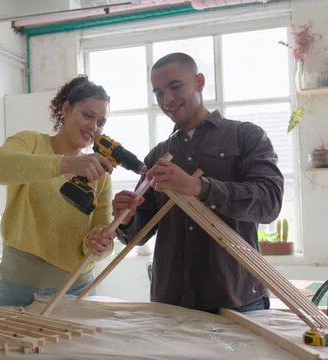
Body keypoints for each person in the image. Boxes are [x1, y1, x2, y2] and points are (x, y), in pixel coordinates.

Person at [111, 52, 284, 313]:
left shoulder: (245, 136)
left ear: (200, 82)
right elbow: (139, 234)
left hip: (236, 300)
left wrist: (200, 188)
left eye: (175, 86)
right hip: (172, 301)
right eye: (158, 93)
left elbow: (269, 203)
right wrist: (125, 218)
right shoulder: (157, 156)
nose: (167, 99)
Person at [0, 75, 116, 307]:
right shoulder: (31, 142)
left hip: (78, 290)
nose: (93, 128)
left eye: (101, 122)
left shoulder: (100, 174)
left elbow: (99, 237)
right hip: (17, 288)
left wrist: (98, 244)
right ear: (66, 109)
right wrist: (65, 164)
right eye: (87, 115)